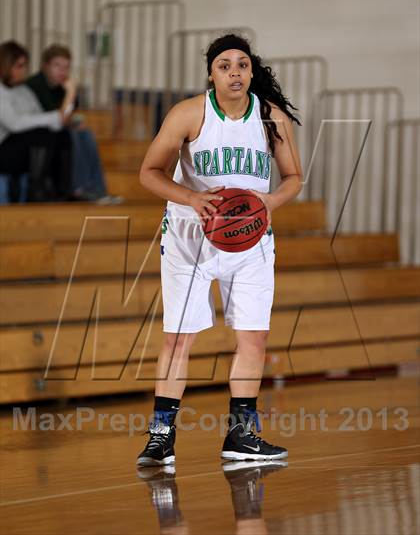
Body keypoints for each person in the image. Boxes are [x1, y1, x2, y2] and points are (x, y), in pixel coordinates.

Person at [137, 33, 303, 466]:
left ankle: (242, 436)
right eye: (224, 65)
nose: (234, 71)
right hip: (190, 237)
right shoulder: (189, 113)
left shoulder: (272, 118)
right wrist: (192, 198)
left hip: (249, 237)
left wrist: (268, 202)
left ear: (251, 72)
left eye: (242, 65)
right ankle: (160, 437)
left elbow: (293, 179)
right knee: (178, 338)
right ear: (211, 74)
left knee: (254, 336)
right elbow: (149, 173)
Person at [26, 44, 122, 204]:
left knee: (86, 133)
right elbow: (59, 119)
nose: (62, 71)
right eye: (57, 65)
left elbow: (65, 117)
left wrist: (73, 121)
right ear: (45, 66)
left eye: (66, 67)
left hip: (53, 132)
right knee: (74, 135)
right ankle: (80, 188)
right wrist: (71, 93)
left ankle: (98, 190)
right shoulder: (35, 85)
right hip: (34, 137)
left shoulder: (59, 86)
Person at [0, 40, 76, 202]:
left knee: (62, 135)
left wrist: (56, 118)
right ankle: (36, 190)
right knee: (42, 135)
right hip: (4, 148)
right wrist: (54, 117)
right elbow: (15, 123)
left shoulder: (24, 90)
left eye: (25, 65)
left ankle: (62, 191)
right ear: (7, 66)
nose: (24, 70)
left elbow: (47, 120)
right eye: (19, 66)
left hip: (22, 148)